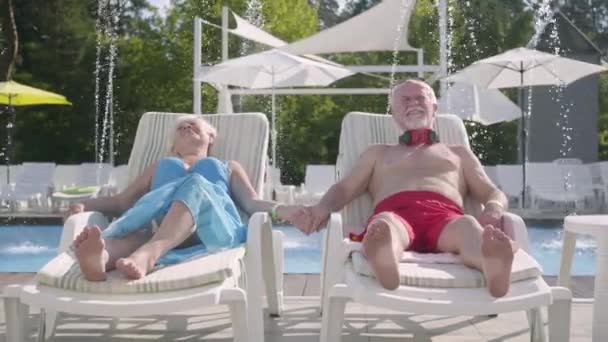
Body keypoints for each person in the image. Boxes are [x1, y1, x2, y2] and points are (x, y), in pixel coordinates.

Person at [286, 79, 514, 297]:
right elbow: (345, 188)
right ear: (394, 114)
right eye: (405, 100)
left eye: (420, 98)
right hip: (396, 214)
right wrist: (321, 208)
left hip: (447, 219)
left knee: (469, 227)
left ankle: (491, 262)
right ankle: (385, 257)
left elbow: (492, 192)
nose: (413, 102)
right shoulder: (378, 152)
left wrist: (493, 208)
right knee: (384, 226)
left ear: (434, 107)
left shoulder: (458, 153)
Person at [66, 115, 293, 281]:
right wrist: (84, 204)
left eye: (193, 125)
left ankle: (148, 255)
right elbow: (122, 202)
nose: (186, 127)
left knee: (195, 185)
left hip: (211, 234)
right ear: (173, 146)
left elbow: (252, 203)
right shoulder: (161, 165)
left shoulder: (227, 166)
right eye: (180, 127)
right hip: (164, 230)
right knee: (135, 237)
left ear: (210, 137)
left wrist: (284, 209)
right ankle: (99, 260)